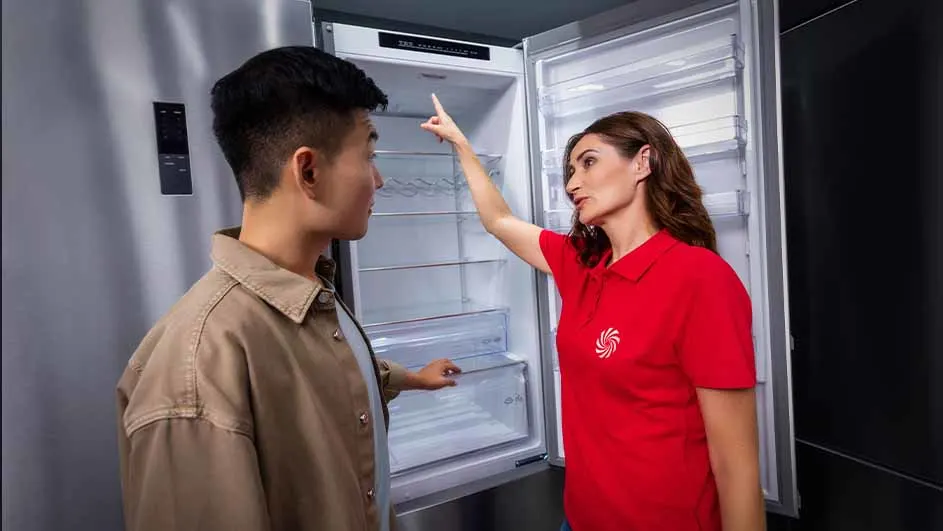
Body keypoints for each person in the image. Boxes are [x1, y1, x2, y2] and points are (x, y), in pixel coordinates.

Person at [116, 47, 461, 531]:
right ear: (309, 172)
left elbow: (324, 375)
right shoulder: (197, 365)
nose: (378, 179)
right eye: (369, 156)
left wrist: (412, 378)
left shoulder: (311, 290)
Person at [421, 95, 765, 531]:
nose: (571, 183)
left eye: (588, 163)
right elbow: (499, 220)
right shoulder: (581, 262)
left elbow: (736, 467)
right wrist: (461, 146)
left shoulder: (699, 278)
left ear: (643, 163)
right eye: (570, 171)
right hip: (581, 518)